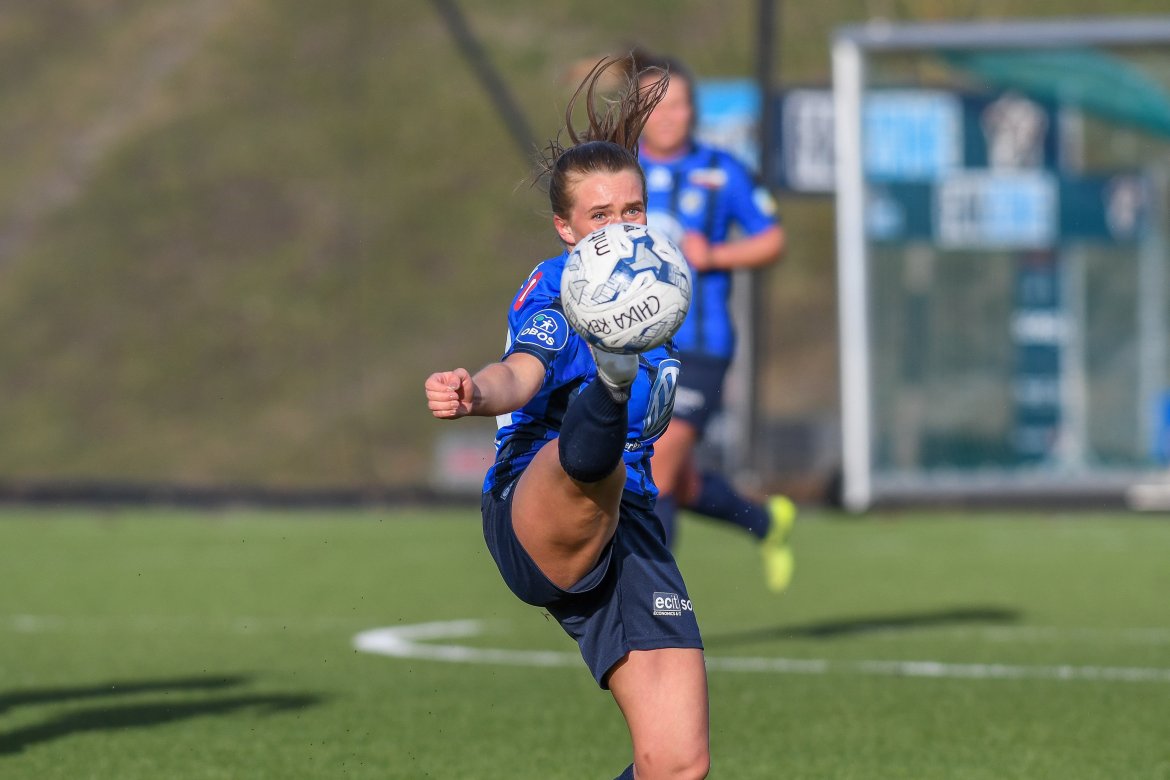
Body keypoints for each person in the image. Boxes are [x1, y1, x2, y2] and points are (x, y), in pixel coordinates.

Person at [424, 57, 709, 780]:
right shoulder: (562, 287)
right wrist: (473, 392)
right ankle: (610, 380)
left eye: (632, 210)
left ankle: (611, 385)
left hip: (630, 522)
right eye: (599, 216)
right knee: (591, 461)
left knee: (676, 766)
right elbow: (521, 370)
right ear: (565, 228)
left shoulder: (659, 286)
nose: (620, 228)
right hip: (538, 505)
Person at [632, 50, 797, 593]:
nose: (669, 116)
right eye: (656, 105)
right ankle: (765, 522)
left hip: (699, 348)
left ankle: (651, 604)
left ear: (694, 111)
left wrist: (716, 256)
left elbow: (772, 239)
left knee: (656, 472)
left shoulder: (722, 170)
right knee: (677, 480)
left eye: (679, 104)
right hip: (630, 348)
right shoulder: (619, 171)